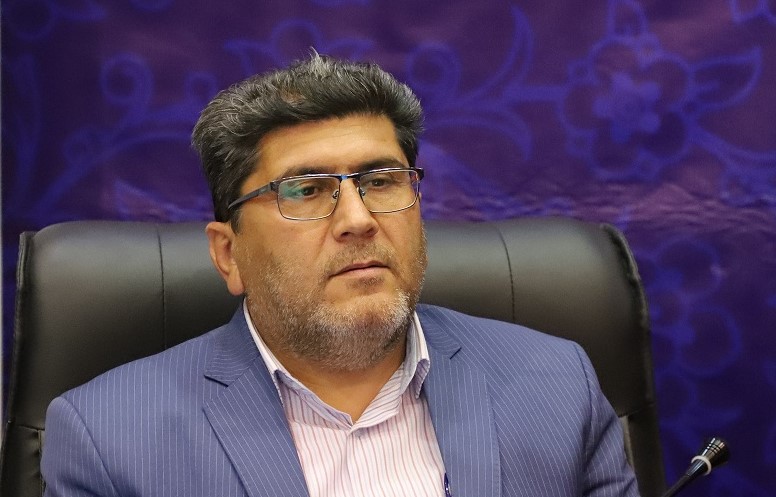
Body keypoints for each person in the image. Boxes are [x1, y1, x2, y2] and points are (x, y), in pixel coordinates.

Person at [41, 53, 640, 497]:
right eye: (305, 190)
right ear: (229, 254)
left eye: (380, 181)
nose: (358, 220)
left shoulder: (556, 386)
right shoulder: (108, 439)